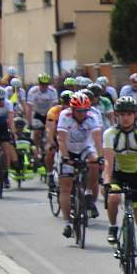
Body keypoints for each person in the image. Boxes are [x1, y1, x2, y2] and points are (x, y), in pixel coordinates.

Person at [103, 96, 137, 274]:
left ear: (135, 115)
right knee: (114, 197)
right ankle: (113, 226)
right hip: (118, 173)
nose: (125, 118)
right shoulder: (110, 133)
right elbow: (108, 162)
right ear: (116, 115)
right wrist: (107, 182)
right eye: (122, 114)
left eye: (129, 114)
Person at [56, 93, 103, 237]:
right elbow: (62, 140)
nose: (81, 113)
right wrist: (65, 157)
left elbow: (97, 139)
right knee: (66, 187)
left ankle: (88, 193)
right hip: (68, 150)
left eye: (84, 110)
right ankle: (68, 223)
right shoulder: (65, 116)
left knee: (94, 163)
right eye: (78, 110)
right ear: (72, 109)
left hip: (85, 149)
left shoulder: (92, 117)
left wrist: (100, 157)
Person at [44, 90, 73, 189]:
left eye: (69, 102)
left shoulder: (76, 112)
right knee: (49, 151)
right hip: (56, 137)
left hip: (71, 139)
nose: (67, 105)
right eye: (65, 102)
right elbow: (49, 128)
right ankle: (50, 174)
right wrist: (51, 142)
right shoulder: (54, 111)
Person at [26, 73, 58, 149]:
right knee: (36, 132)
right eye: (42, 84)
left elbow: (55, 107)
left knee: (51, 133)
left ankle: (49, 148)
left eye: (46, 84)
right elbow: (29, 108)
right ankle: (36, 150)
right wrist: (29, 122)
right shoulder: (33, 91)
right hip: (37, 114)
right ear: (39, 83)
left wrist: (55, 121)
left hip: (48, 114)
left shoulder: (52, 91)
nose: (44, 86)